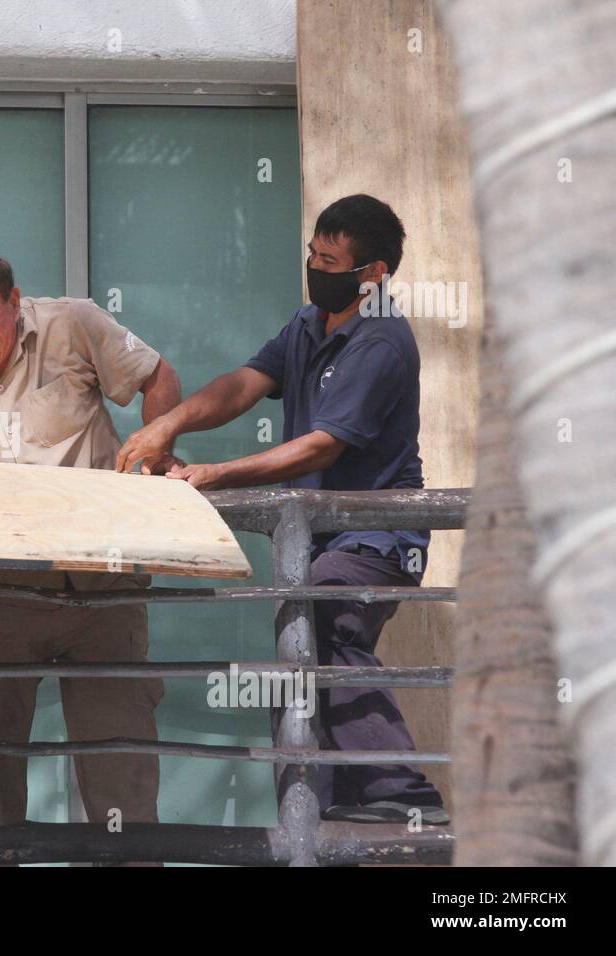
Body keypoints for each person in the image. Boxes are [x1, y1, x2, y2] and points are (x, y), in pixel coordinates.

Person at [115, 195, 448, 825]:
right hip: (320, 541)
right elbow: (245, 383)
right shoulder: (308, 322)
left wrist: (216, 472)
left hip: (377, 541)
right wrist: (168, 426)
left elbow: (324, 444)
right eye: (312, 254)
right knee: (296, 651)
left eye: (329, 260)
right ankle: (317, 808)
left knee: (323, 618)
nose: (315, 267)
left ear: (371, 274)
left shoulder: (381, 341)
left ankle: (402, 793)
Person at [0, 245, 182, 846]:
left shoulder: (72, 324)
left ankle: (132, 862)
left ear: (15, 303)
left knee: (120, 757)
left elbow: (157, 374)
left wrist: (155, 455)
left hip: (102, 583)